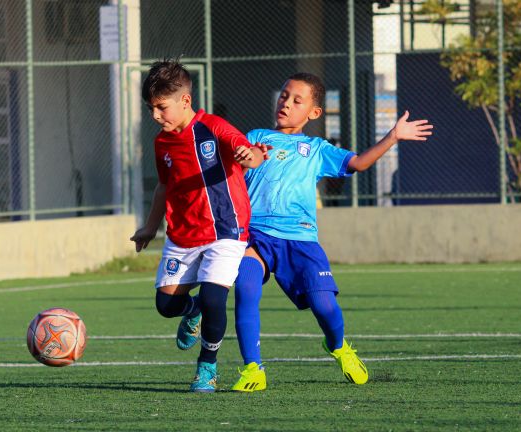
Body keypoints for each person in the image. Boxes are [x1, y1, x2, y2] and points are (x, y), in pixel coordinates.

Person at [229, 72, 433, 392]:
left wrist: (393, 136)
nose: (286, 103)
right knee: (245, 285)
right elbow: (233, 173)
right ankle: (253, 368)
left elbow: (360, 163)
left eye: (297, 100)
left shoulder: (316, 148)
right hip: (256, 236)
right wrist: (241, 160)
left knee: (324, 306)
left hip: (301, 240)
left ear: (314, 113)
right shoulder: (255, 136)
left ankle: (338, 346)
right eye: (284, 95)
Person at [130, 59, 265, 393]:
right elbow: (163, 186)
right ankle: (192, 312)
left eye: (161, 107)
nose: (155, 115)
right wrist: (149, 227)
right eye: (151, 108)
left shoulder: (213, 128)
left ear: (185, 101)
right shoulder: (162, 143)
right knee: (166, 306)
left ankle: (207, 367)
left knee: (214, 299)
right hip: (182, 236)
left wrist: (253, 156)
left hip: (225, 230)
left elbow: (246, 151)